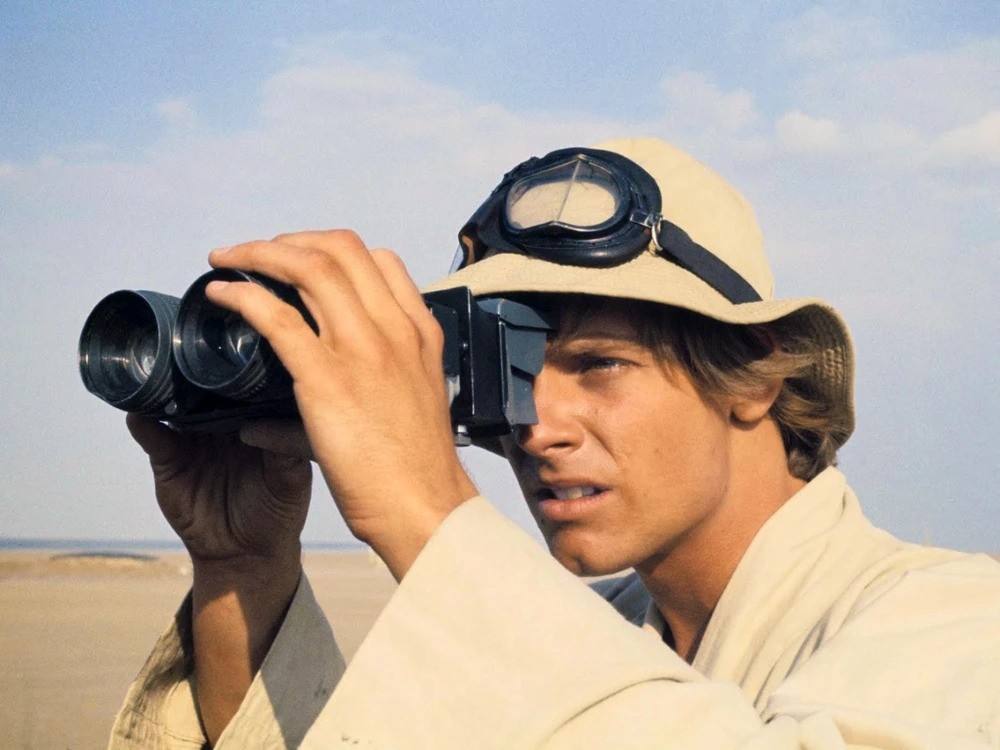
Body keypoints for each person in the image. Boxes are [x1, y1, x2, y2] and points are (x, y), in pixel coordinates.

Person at [108, 138, 1000, 749]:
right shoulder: (586, 634)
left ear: (757, 376)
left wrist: (425, 506)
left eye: (601, 364)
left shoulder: (955, 619)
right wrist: (245, 573)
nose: (539, 425)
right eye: (523, 373)